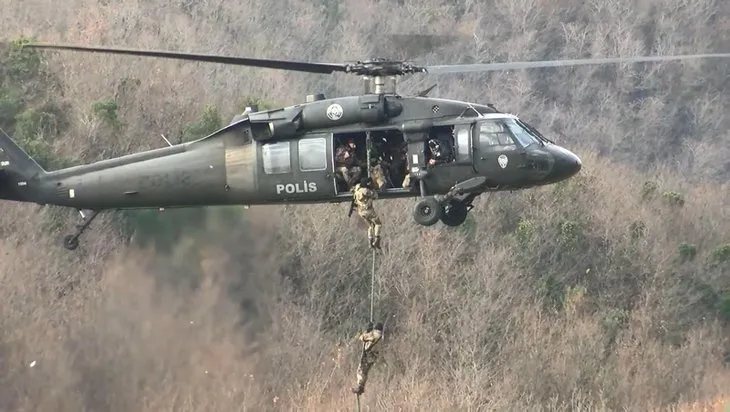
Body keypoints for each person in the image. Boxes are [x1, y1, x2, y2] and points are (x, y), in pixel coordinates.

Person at [351, 322, 384, 395]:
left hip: (369, 355)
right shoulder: (380, 336)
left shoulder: (375, 334)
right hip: (372, 355)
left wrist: (366, 332)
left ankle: (360, 387)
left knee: (361, 370)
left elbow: (363, 338)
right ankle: (360, 387)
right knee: (363, 370)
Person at [353, 177, 382, 249]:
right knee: (378, 224)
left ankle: (370, 241)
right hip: (368, 211)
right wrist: (373, 189)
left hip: (361, 211)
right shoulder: (366, 191)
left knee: (371, 226)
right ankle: (377, 240)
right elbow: (375, 196)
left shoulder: (357, 190)